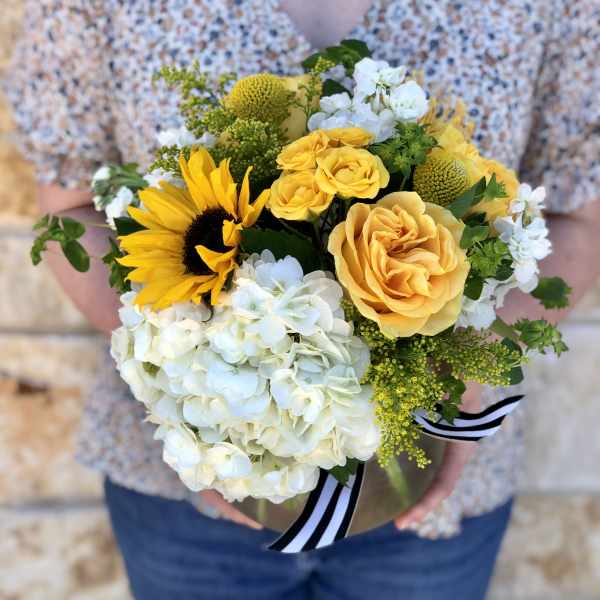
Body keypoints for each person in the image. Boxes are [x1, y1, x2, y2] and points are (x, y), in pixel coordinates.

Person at [5, 0, 600, 598]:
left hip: (429, 484)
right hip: (187, 499)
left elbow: (579, 217)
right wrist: (184, 383)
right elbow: (70, 207)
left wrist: (463, 365)